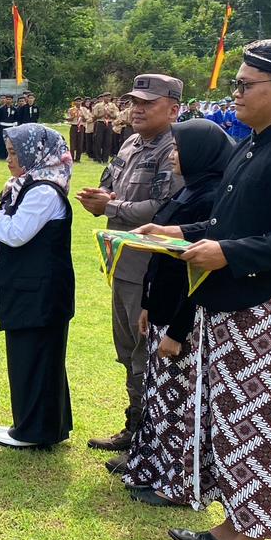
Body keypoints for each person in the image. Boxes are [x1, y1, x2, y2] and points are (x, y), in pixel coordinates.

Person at [134, 39, 271, 540]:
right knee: (225, 423)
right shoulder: (252, 146)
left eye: (245, 85)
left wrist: (228, 253)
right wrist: (179, 231)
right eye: (235, 84)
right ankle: (231, 528)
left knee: (258, 428)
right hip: (228, 308)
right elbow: (229, 223)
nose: (235, 93)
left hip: (265, 311)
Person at [115, 118, 232, 502]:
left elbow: (199, 277)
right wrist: (148, 305)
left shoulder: (212, 197)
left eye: (181, 149)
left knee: (180, 407)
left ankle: (177, 485)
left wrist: (178, 331)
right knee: (159, 399)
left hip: (182, 315)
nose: (173, 155)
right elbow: (162, 255)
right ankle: (152, 469)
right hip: (162, 307)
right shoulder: (189, 189)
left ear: (202, 153)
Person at [76, 74, 183, 454]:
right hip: (122, 263)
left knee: (145, 353)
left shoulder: (174, 149)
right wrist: (100, 198)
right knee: (127, 351)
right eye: (134, 102)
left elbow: (164, 209)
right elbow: (114, 188)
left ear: (173, 109)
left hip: (149, 269)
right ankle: (135, 427)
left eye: (147, 103)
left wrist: (112, 207)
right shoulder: (131, 143)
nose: (137, 109)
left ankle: (147, 440)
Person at [0, 124, 74, 448]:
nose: (9, 159)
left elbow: (15, 233)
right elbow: (5, 229)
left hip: (41, 292)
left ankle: (33, 432)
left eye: (14, 153)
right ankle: (38, 426)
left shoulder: (43, 191)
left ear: (34, 153)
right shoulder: (26, 185)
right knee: (34, 359)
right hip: (32, 289)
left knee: (36, 360)